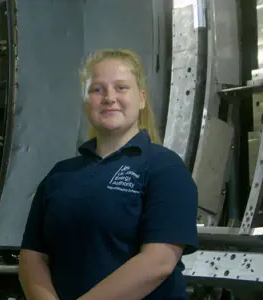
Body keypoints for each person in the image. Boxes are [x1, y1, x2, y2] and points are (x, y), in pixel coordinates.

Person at [18, 48, 199, 300]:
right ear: (86, 101)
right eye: (97, 89)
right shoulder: (60, 175)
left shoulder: (165, 168)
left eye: (121, 88)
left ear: (142, 99)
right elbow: (32, 256)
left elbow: (159, 261)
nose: (109, 97)